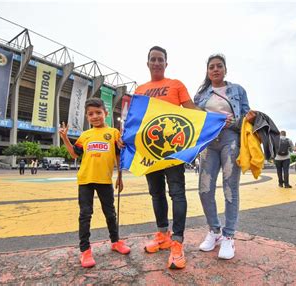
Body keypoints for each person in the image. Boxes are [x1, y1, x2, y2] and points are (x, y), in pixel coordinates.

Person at [134, 46, 197, 269]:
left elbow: (192, 111)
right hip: (150, 150)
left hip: (173, 150)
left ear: (166, 64)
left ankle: (177, 241)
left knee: (177, 193)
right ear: (148, 63)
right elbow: (134, 119)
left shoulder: (176, 84)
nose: (157, 63)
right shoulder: (140, 89)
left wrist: (215, 120)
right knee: (156, 193)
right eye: (153, 59)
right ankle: (163, 235)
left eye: (161, 59)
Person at [59, 98, 130, 268]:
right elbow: (75, 155)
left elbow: (119, 156)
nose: (95, 116)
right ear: (87, 116)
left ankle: (115, 241)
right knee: (85, 214)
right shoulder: (85, 135)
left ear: (105, 113)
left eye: (98, 113)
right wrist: (65, 138)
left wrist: (120, 177)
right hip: (85, 180)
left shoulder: (113, 133)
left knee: (110, 213)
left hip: (105, 180)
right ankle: (85, 250)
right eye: (91, 114)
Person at [194, 54, 250, 260]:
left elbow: (247, 117)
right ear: (207, 71)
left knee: (230, 188)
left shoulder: (237, 90)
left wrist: (233, 123)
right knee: (204, 189)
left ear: (225, 69)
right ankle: (214, 231)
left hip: (230, 140)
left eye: (219, 66)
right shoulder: (201, 96)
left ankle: (229, 236)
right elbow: (194, 121)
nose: (215, 69)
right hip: (209, 142)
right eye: (211, 67)